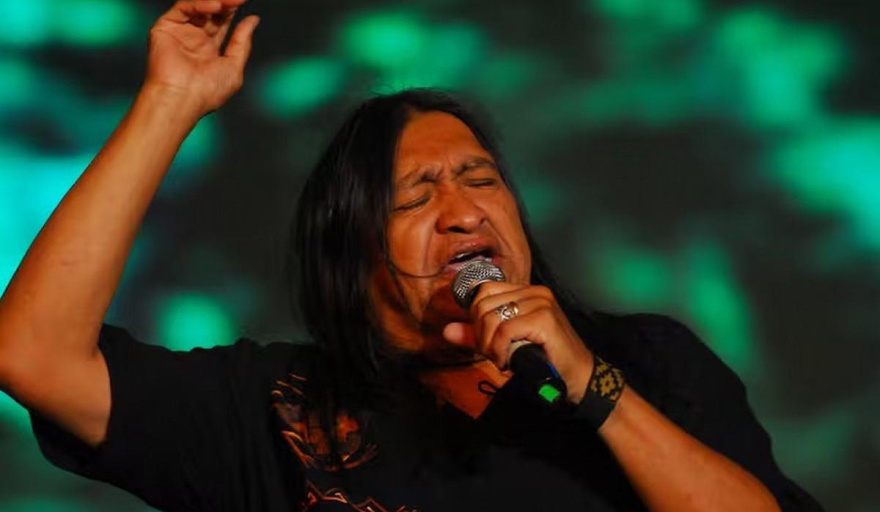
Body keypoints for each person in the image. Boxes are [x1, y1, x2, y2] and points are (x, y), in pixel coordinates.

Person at [0, 1, 824, 511]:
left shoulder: (646, 361)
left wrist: (593, 388)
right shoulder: (275, 410)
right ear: (352, 251)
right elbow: (32, 354)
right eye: (418, 195)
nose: (464, 212)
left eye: (482, 180)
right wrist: (168, 102)